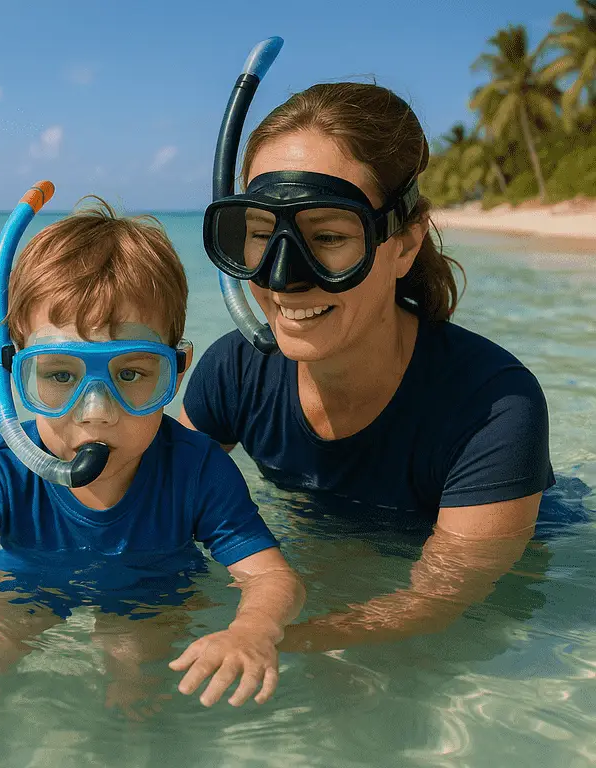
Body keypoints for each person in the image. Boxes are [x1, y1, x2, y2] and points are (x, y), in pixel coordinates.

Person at [0, 198, 304, 707]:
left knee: (137, 670)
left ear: (176, 371)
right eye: (60, 376)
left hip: (152, 595)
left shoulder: (197, 470)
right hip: (29, 588)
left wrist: (252, 630)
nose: (95, 411)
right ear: (15, 375)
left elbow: (271, 576)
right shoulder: (2, 470)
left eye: (131, 375)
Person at [180, 79, 554, 652]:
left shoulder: (493, 407)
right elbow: (151, 487)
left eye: (328, 236)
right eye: (259, 236)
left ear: (404, 243)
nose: (282, 277)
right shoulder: (236, 371)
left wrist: (261, 640)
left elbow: (434, 601)